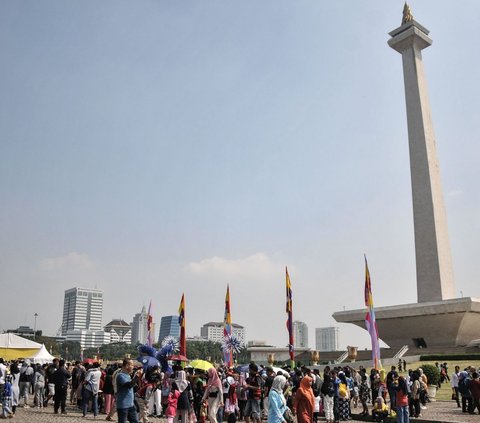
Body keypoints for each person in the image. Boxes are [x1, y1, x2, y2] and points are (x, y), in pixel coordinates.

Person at [117, 358, 142, 423]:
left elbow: (132, 386)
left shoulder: (128, 375)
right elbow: (128, 385)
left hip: (131, 404)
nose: (133, 367)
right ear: (127, 365)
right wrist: (137, 376)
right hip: (123, 405)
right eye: (132, 365)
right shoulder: (120, 375)